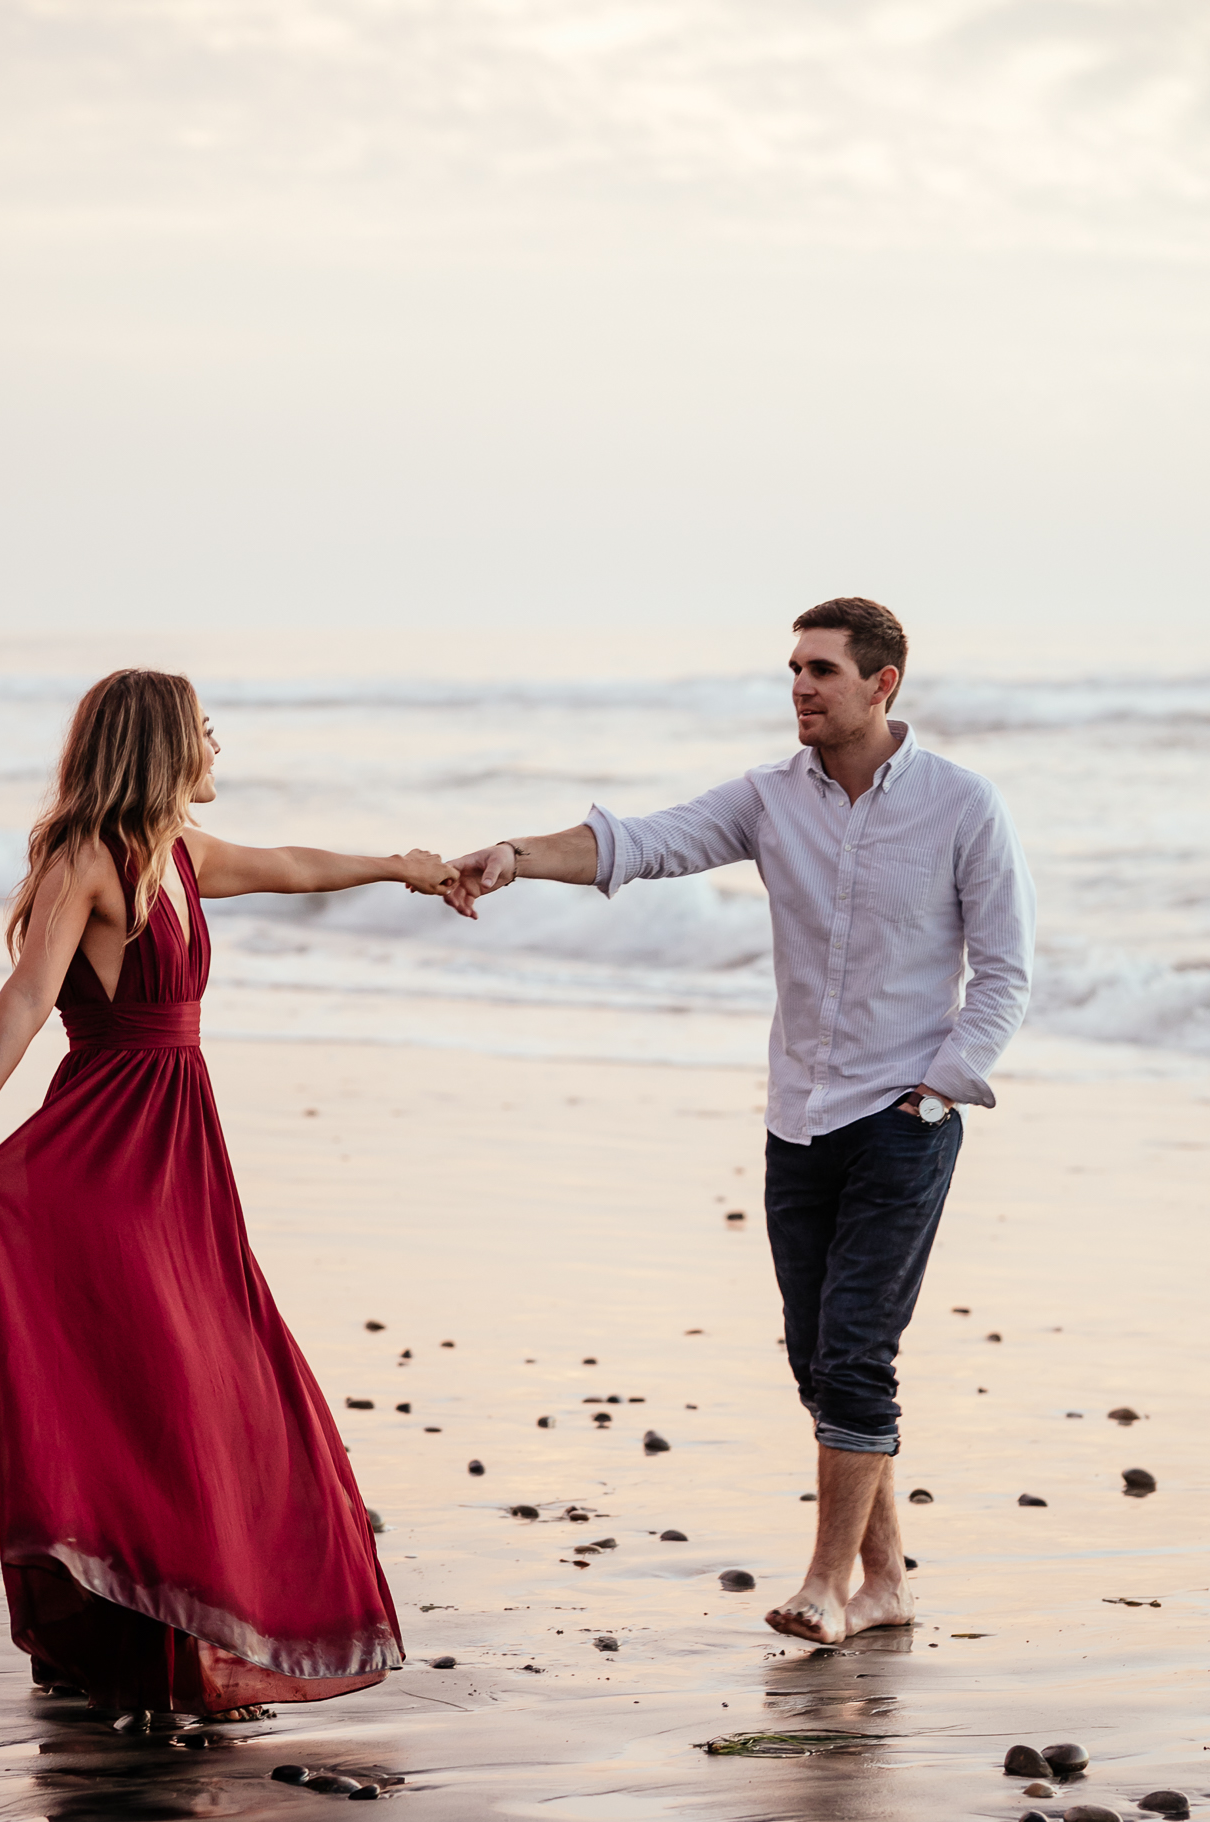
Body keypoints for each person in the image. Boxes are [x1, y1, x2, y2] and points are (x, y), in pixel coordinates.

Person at [439, 598, 1035, 1647]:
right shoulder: (769, 799)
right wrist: (511, 854)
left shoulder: (961, 805)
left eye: (821, 671)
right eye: (793, 670)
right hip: (797, 1117)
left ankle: (823, 1586)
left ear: (881, 683)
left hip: (905, 1117)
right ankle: (887, 1582)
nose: (800, 687)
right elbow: (643, 842)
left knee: (855, 1356)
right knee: (816, 1360)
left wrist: (940, 1086)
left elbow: (1004, 972)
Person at [0, 667, 453, 1721]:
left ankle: (166, 1631)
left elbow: (294, 864)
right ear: (163, 744)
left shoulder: (181, 853)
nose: (219, 748)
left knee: (219, 1370)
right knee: (157, 1380)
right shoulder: (88, 858)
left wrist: (401, 868)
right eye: (207, 731)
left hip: (181, 1145)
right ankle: (128, 1629)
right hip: (105, 1146)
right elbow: (32, 986)